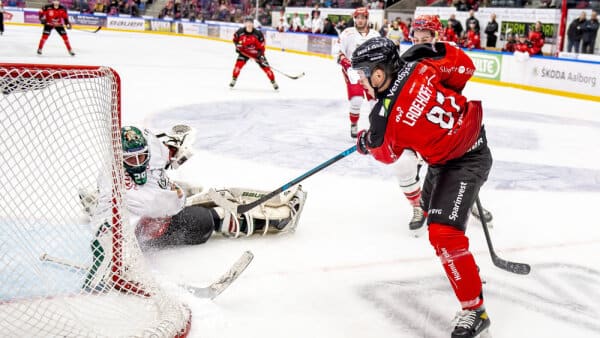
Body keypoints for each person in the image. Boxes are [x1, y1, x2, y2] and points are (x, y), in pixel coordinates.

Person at [352, 37, 492, 338]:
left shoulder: (381, 119)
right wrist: (436, 49)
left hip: (467, 161)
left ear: (379, 73)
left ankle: (475, 310)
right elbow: (463, 69)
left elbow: (386, 153)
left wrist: (365, 142)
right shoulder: (422, 65)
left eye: (363, 74)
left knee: (443, 235)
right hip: (452, 155)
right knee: (431, 214)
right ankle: (465, 269)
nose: (361, 81)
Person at [80, 125, 307, 251]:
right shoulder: (116, 181)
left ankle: (193, 199)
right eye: (132, 159)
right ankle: (278, 221)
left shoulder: (149, 151)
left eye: (142, 156)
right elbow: (156, 205)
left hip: (160, 205)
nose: (139, 162)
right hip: (151, 224)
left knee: (200, 192)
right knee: (209, 217)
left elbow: (164, 155)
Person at [401, 15, 491, 234]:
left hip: (447, 120)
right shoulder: (408, 59)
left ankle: (468, 200)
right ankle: (419, 208)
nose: (419, 43)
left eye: (425, 39)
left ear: (436, 36)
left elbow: (466, 70)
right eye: (416, 38)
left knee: (460, 164)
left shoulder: (448, 54)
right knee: (410, 165)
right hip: (418, 122)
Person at [337, 7, 380, 138]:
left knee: (374, 102)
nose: (360, 20)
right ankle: (354, 124)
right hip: (352, 71)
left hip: (370, 71)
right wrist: (346, 62)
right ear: (354, 18)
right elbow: (339, 52)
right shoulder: (347, 33)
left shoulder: (375, 35)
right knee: (356, 100)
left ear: (367, 19)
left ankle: (376, 127)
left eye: (363, 18)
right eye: (358, 18)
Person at [229, 16, 278, 90]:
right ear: (245, 23)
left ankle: (273, 82)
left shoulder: (258, 34)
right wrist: (237, 47)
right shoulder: (240, 32)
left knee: (267, 69)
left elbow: (262, 46)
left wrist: (260, 54)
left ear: (253, 24)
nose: (249, 24)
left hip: (257, 54)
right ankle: (234, 79)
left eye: (250, 23)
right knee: (237, 67)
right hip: (244, 53)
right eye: (247, 22)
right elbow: (235, 40)